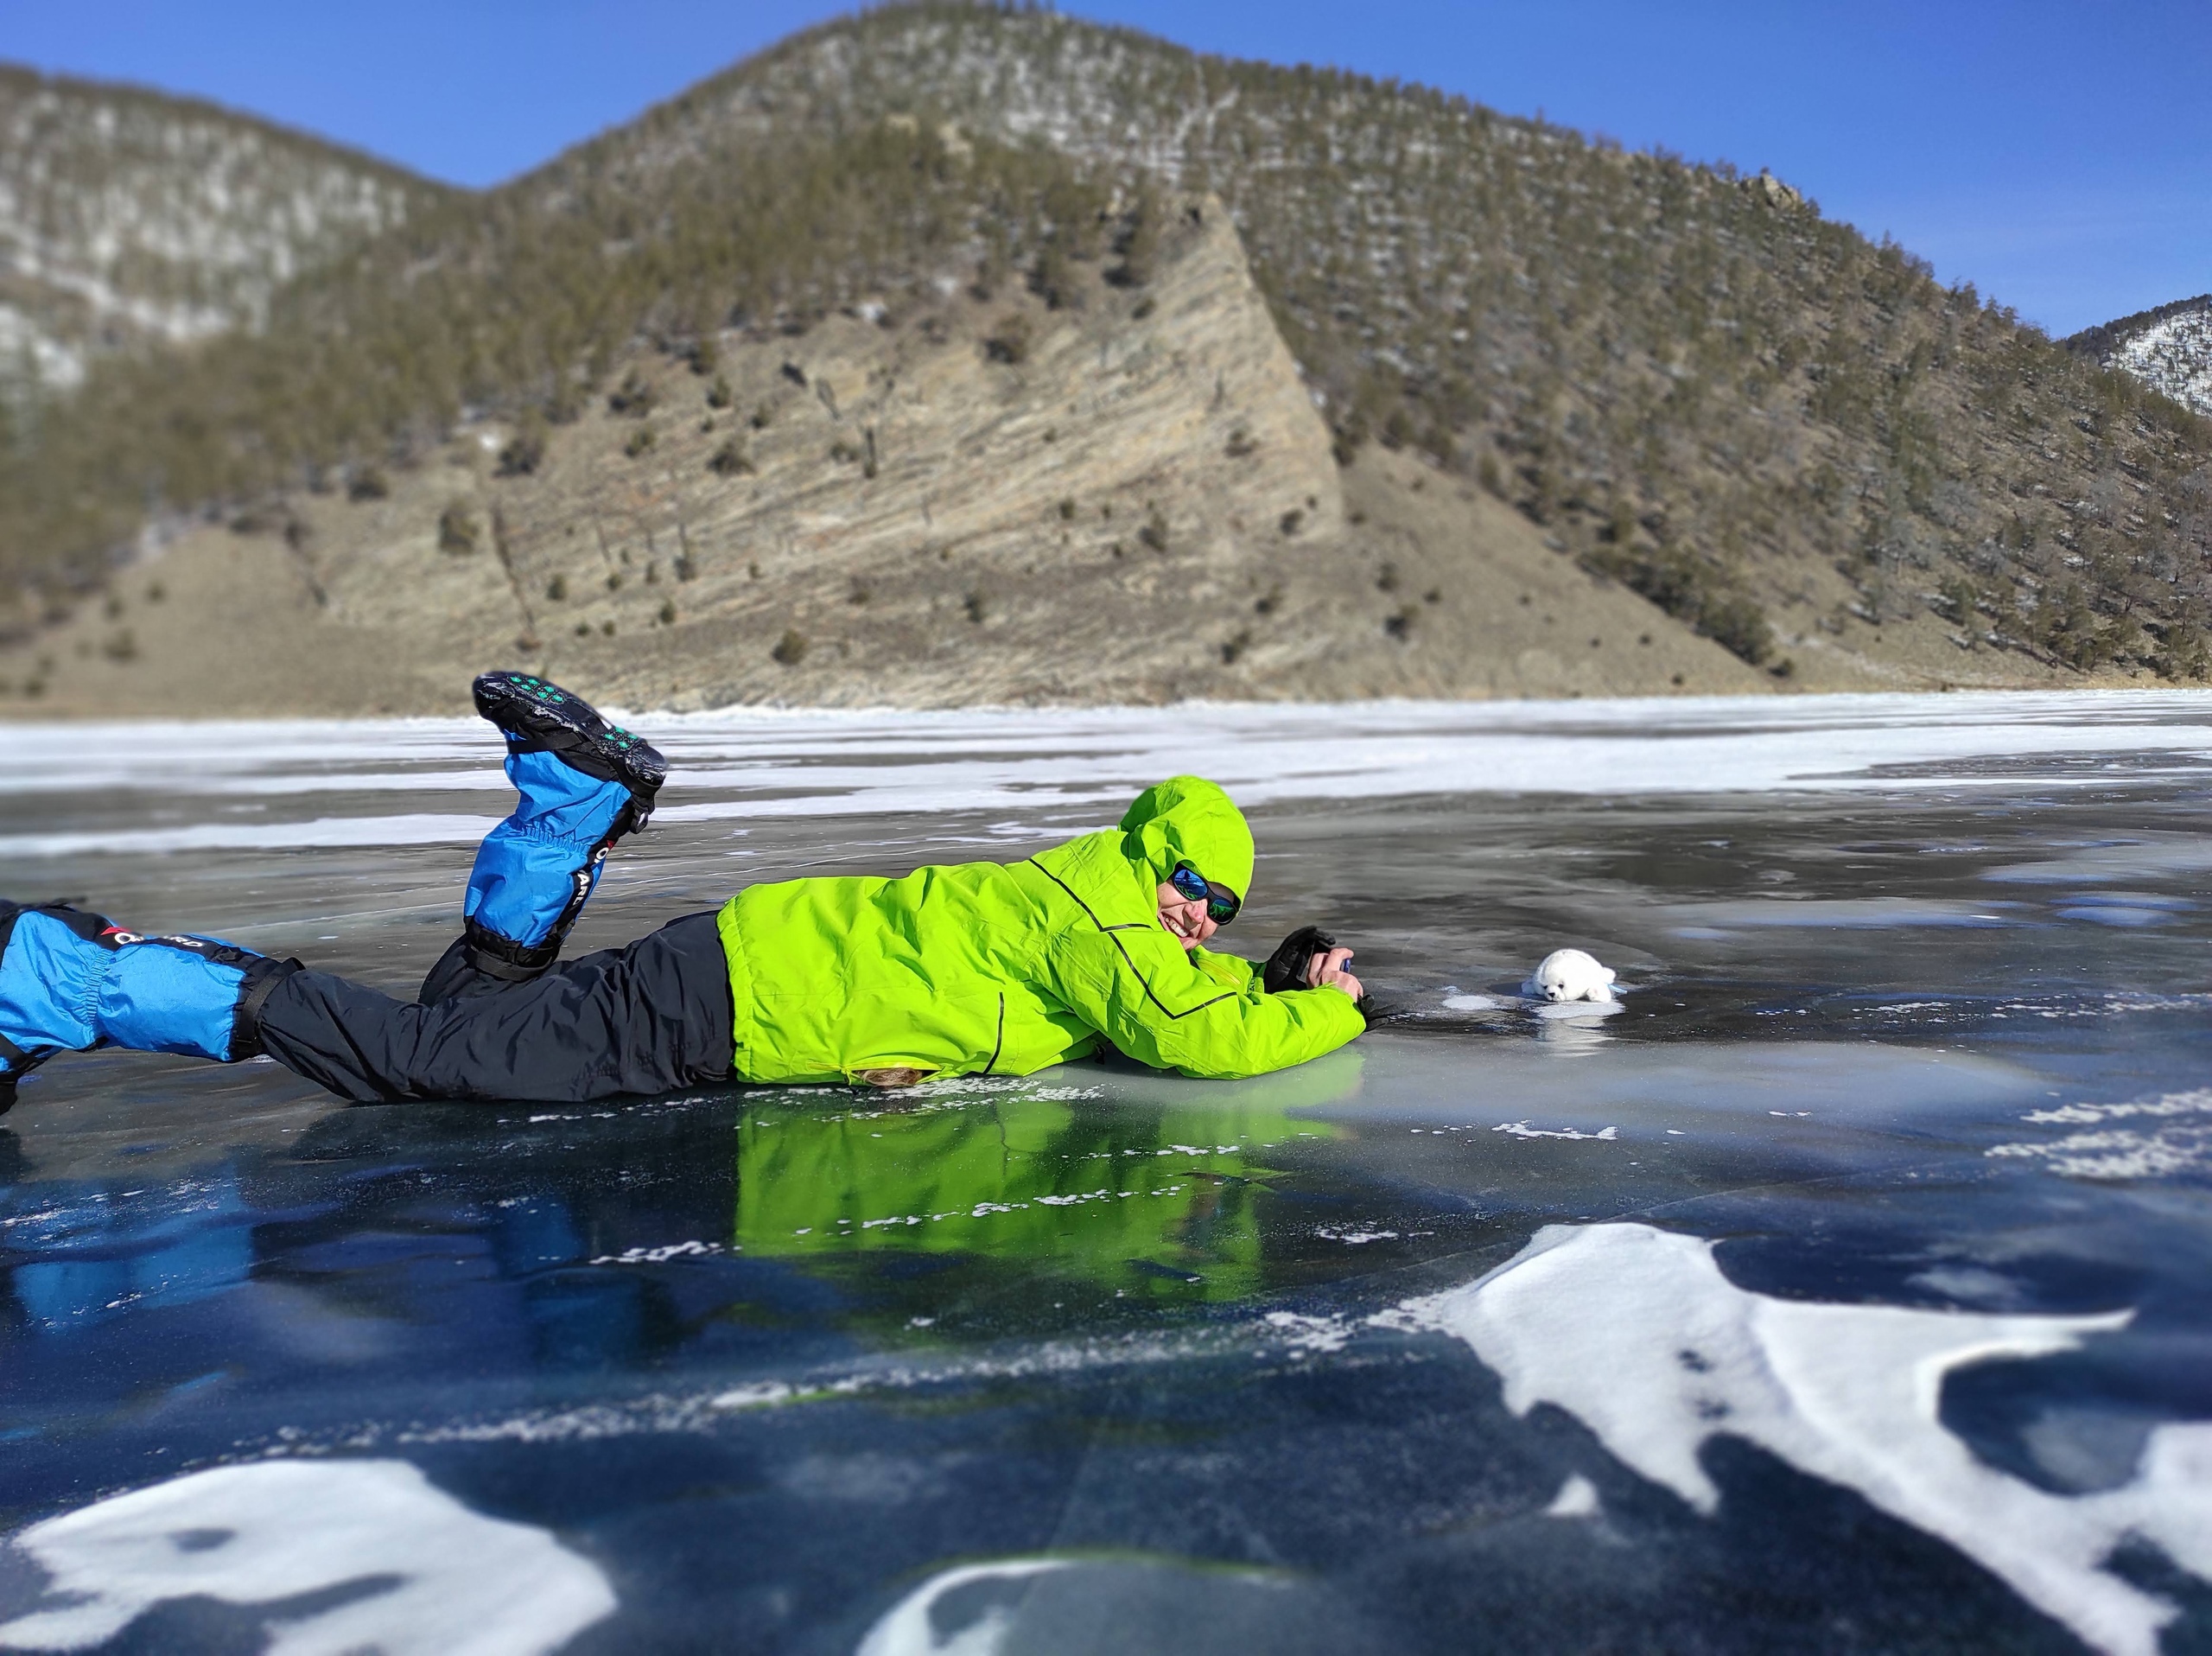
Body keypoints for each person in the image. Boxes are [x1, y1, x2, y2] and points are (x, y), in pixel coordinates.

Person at [0, 674, 1370, 1111]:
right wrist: (1333, 1018)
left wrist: (1264, 973)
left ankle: (573, 802)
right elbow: (1190, 1037)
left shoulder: (1086, 908)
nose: (1200, 914)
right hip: (725, 1016)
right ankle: (53, 977)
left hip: (729, 966)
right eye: (1193, 884)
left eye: (1222, 911)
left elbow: (1170, 995)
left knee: (468, 1006)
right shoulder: (1102, 918)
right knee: (424, 1066)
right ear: (1149, 854)